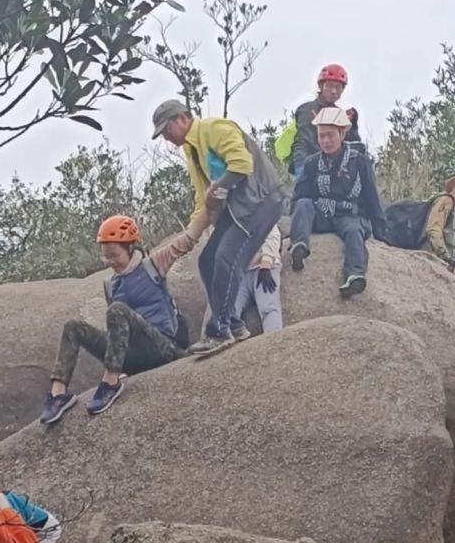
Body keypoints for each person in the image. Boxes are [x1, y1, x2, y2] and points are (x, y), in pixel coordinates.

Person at [151, 99, 286, 357]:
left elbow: (242, 164)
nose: (166, 137)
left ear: (182, 118)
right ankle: (234, 325)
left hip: (261, 201)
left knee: (227, 257)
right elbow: (204, 201)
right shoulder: (192, 152)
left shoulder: (214, 128)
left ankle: (219, 330)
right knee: (207, 260)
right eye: (162, 134)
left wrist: (219, 190)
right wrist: (188, 236)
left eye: (167, 129)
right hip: (239, 208)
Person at [40, 214, 197, 422]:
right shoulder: (110, 284)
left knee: (117, 309)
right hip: (134, 358)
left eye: (114, 255)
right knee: (73, 327)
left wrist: (209, 208)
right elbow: (119, 333)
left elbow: (187, 240)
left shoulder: (154, 264)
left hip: (163, 348)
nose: (111, 262)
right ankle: (58, 394)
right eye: (106, 257)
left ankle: (111, 382)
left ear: (130, 247)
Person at [290, 108, 387, 297]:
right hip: (323, 215)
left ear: (342, 133)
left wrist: (382, 234)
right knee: (303, 203)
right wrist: (292, 228)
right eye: (321, 135)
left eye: (330, 135)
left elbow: (372, 198)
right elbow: (299, 195)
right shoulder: (312, 163)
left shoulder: (359, 161)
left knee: (353, 231)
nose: (326, 140)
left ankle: (355, 275)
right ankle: (299, 247)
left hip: (350, 215)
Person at [288, 64, 362, 176]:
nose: (333, 91)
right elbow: (303, 141)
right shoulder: (307, 109)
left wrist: (353, 125)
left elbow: (351, 146)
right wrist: (301, 169)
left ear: (342, 90)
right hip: (308, 166)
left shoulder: (340, 114)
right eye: (329, 86)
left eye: (338, 87)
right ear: (321, 86)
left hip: (333, 170)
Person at [231, 224, 284, 337]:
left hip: (263, 268)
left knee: (268, 307)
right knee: (229, 310)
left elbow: (273, 236)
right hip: (240, 274)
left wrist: (266, 265)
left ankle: (274, 343)